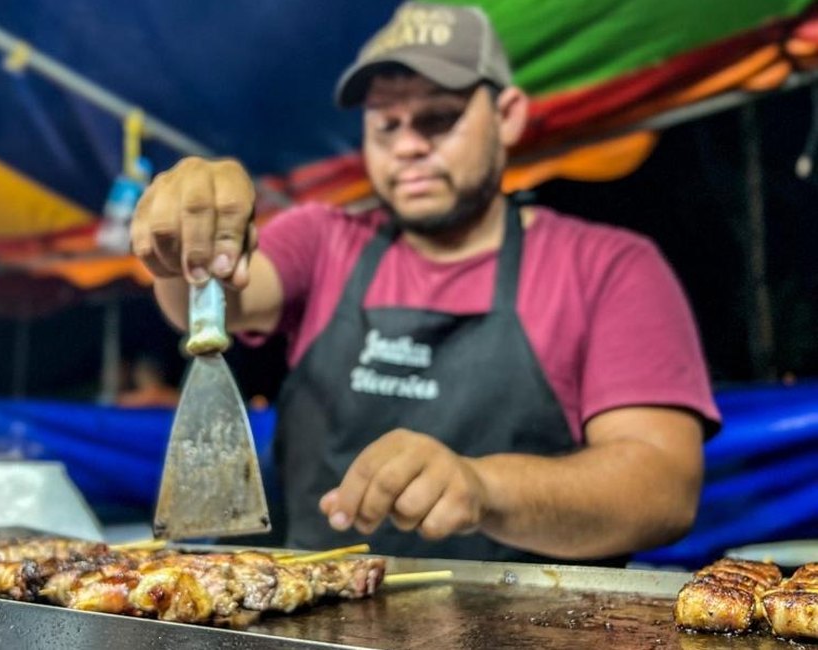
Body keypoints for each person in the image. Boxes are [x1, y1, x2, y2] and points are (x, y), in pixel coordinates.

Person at [130, 2, 719, 564]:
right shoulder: (325, 240)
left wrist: (482, 486)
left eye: (439, 118)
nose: (409, 146)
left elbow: (662, 489)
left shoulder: (605, 266)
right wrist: (190, 231)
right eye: (387, 124)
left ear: (508, 115)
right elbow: (213, 304)